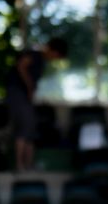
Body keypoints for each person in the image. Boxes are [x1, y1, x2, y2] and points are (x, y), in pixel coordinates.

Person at [6, 37, 68, 172]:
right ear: (53, 51)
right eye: (57, 55)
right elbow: (21, 65)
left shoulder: (41, 61)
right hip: (18, 94)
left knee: (30, 131)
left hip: (26, 98)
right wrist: (28, 87)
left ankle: (28, 165)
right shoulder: (34, 54)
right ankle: (20, 166)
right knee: (23, 130)